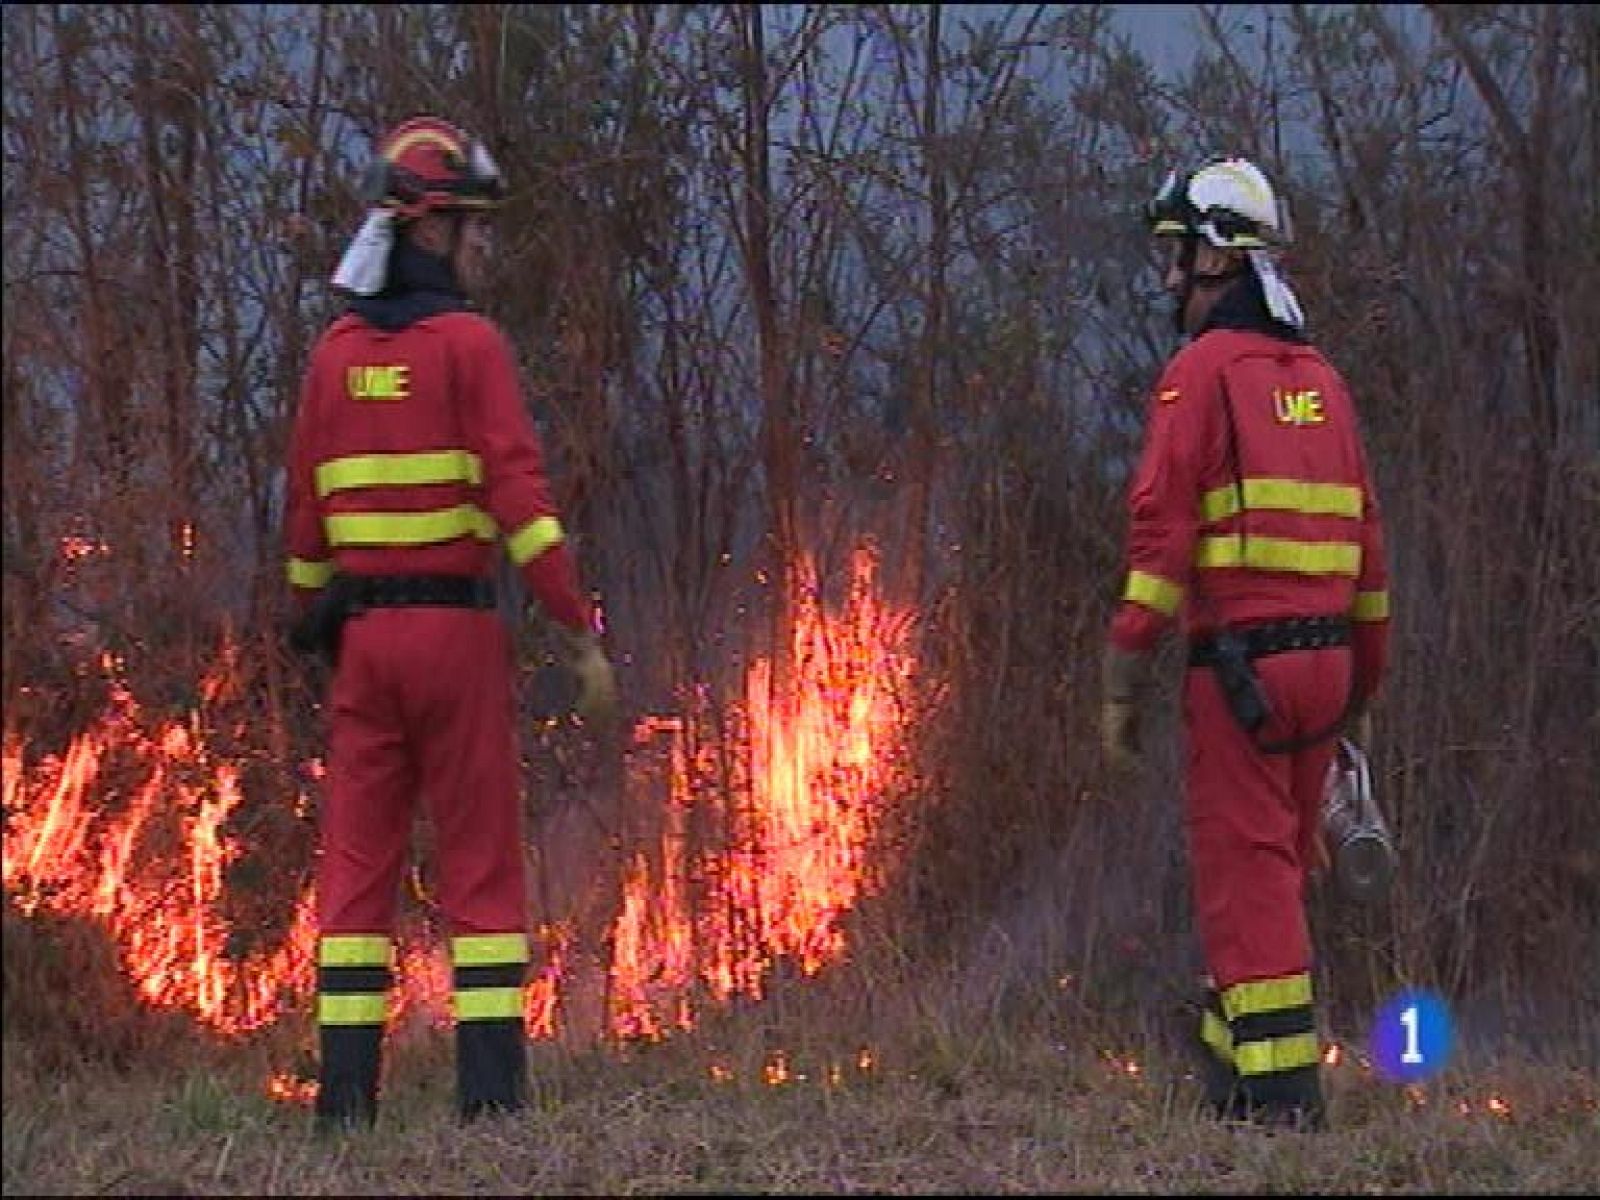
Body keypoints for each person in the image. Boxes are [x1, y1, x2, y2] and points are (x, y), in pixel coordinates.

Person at [282, 115, 619, 1131]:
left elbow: (304, 522)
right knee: (479, 866)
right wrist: (576, 627)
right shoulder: (470, 346)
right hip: (458, 640)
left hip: (362, 653)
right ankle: (490, 1101)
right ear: (431, 230)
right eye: (472, 227)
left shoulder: (333, 358)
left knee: (354, 875)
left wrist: (313, 624)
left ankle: (344, 1106)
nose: (483, 247)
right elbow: (521, 500)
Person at [1100, 157, 1390, 1130]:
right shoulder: (1325, 385)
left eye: (1173, 256)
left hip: (1242, 677)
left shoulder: (1199, 378)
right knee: (1280, 865)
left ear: (1217, 257)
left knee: (1247, 880)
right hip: (1326, 671)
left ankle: (1282, 1105)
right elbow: (1369, 555)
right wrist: (1360, 693)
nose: (1167, 280)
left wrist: (1123, 665)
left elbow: (1159, 532)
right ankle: (1228, 1077)